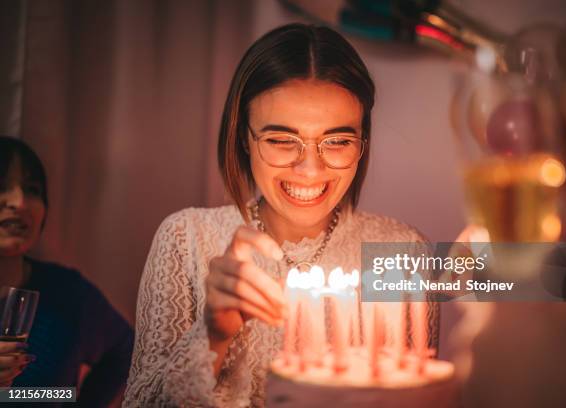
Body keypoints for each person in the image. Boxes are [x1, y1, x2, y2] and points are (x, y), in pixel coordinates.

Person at [124, 23, 438, 407]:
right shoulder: (186, 238)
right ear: (244, 136)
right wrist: (213, 335)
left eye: (337, 141)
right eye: (281, 140)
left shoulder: (401, 253)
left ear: (362, 142)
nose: (309, 169)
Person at [0, 136, 134, 406]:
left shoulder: (68, 293)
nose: (20, 202)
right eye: (2, 186)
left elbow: (125, 350)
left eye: (32, 189)